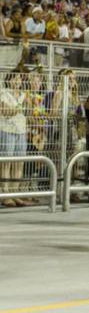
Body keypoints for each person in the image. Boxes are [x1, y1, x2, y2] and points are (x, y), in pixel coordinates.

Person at [0, 66, 30, 207]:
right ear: (9, 80)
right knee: (6, 163)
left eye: (19, 78)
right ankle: (5, 194)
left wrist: (16, 110)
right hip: (7, 130)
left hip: (21, 130)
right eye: (14, 78)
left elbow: (30, 111)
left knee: (19, 163)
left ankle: (15, 193)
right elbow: (4, 110)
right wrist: (16, 110)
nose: (17, 80)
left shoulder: (25, 95)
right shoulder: (3, 93)